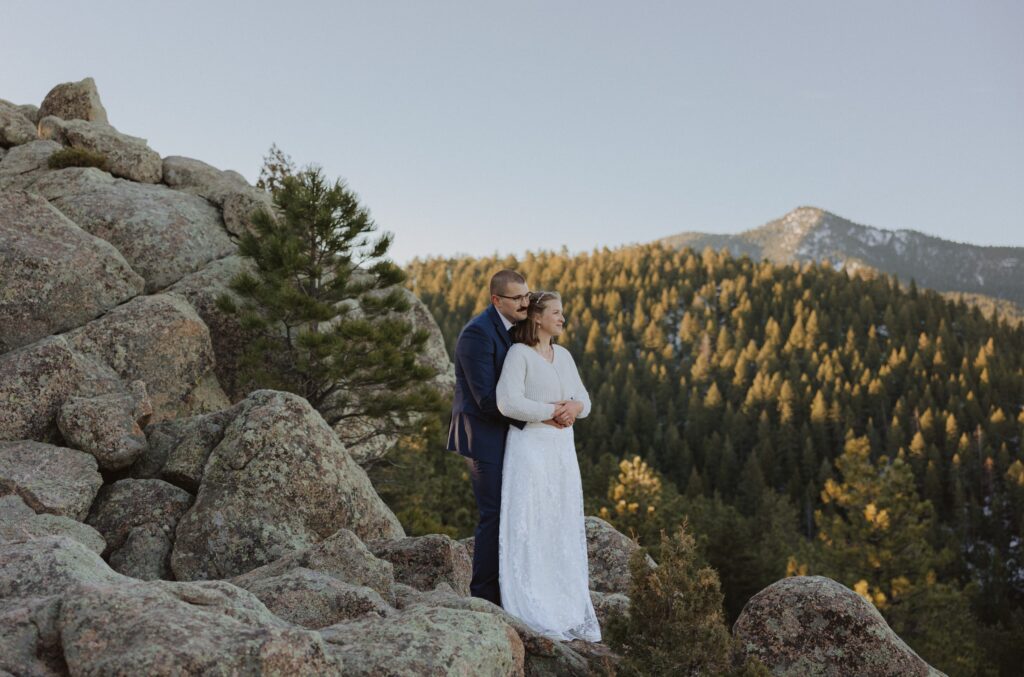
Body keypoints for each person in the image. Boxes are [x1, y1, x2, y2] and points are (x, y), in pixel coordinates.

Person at [495, 290, 601, 642]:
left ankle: (566, 603)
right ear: (537, 318)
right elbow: (508, 402)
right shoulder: (519, 354)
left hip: (561, 451)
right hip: (531, 448)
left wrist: (574, 408)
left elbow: (584, 398)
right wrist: (551, 412)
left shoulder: (564, 356)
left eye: (563, 313)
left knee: (559, 519)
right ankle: (532, 603)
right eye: (556, 312)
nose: (562, 318)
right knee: (532, 518)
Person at [447, 269, 530, 605]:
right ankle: (484, 596)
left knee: (514, 512)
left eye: (527, 295)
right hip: (482, 435)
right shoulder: (477, 335)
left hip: (509, 432)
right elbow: (485, 399)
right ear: (497, 300)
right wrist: (536, 418)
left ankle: (512, 587)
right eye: (518, 298)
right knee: (494, 514)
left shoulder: (517, 327)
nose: (526, 303)